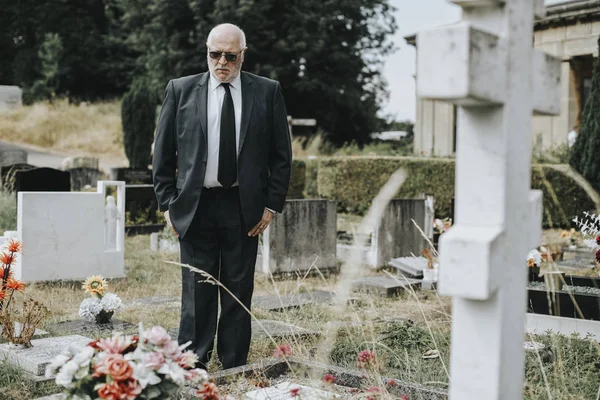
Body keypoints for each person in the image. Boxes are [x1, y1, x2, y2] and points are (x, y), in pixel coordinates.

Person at [152, 23, 292, 369]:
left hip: (243, 207)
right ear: (207, 52)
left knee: (238, 288)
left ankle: (234, 364)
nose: (222, 62)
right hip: (195, 205)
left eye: (231, 56)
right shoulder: (181, 90)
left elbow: (281, 157)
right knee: (197, 292)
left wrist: (271, 205)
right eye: (216, 54)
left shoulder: (267, 91)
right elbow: (162, 154)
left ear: (243, 55)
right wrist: (168, 204)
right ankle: (193, 365)